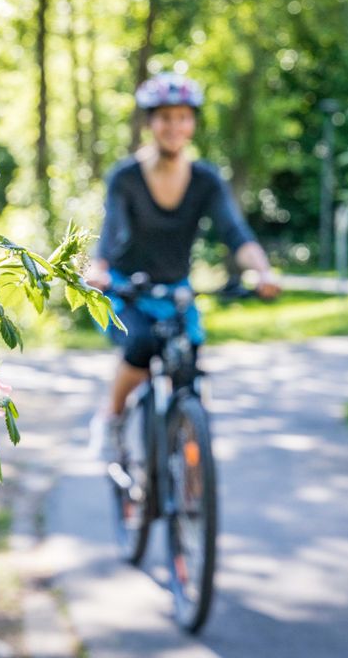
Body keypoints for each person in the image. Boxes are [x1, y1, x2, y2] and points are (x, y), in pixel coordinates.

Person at [85, 71, 280, 456]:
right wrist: (99, 269)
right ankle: (110, 418)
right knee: (140, 345)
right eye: (164, 117)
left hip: (176, 292)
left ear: (192, 123)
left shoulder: (206, 179)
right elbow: (109, 232)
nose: (174, 126)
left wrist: (262, 270)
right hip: (127, 291)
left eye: (182, 117)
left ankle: (191, 469)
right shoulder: (125, 177)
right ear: (150, 122)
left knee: (188, 373)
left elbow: (236, 233)